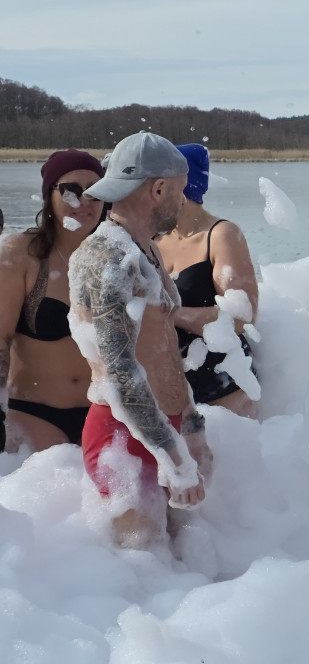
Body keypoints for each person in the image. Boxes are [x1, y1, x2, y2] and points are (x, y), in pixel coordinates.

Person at [69, 132, 212, 549]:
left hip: (159, 430)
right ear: (159, 188)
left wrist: (191, 425)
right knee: (141, 569)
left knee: (176, 567)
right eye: (181, 192)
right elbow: (120, 373)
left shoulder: (143, 250)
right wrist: (175, 459)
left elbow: (163, 347)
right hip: (122, 437)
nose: (184, 203)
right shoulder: (107, 257)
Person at [0, 150, 105, 452]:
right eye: (71, 190)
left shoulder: (116, 255)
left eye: (95, 192)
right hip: (34, 412)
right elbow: (1, 338)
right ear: (50, 195)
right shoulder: (22, 253)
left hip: (102, 411)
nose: (83, 201)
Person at [153, 144, 260, 418]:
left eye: (156, 186)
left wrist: (170, 313)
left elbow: (241, 318)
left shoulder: (221, 235)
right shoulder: (154, 239)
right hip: (170, 391)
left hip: (224, 387)